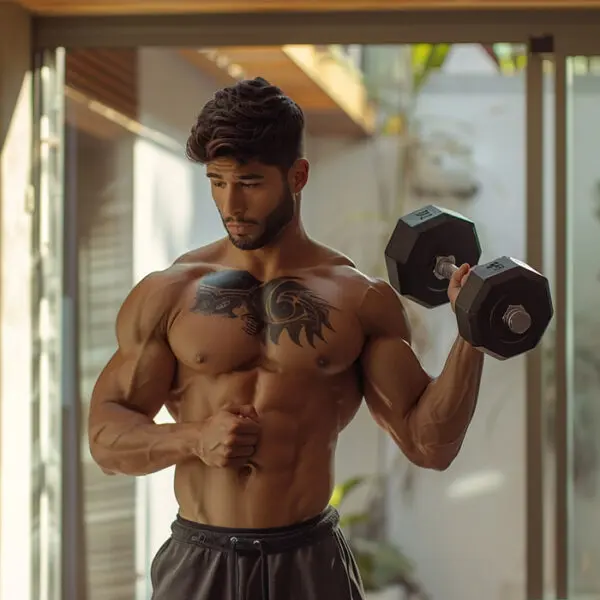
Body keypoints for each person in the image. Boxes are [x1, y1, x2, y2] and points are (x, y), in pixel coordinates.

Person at [88, 77, 484, 600]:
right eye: (216, 180)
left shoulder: (357, 300)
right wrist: (193, 437)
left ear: (297, 176)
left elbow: (427, 444)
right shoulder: (170, 293)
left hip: (308, 560)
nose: (230, 203)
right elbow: (105, 438)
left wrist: (471, 334)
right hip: (199, 560)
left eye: (250, 182)